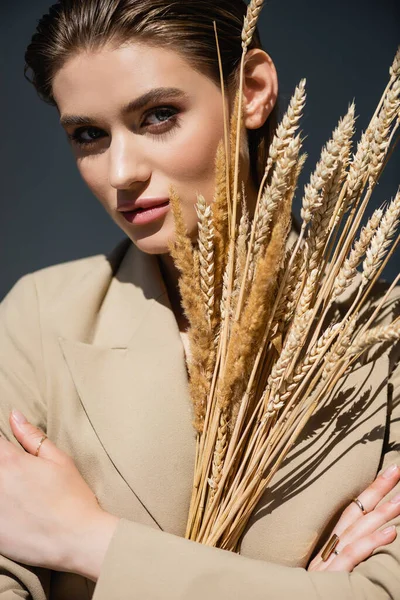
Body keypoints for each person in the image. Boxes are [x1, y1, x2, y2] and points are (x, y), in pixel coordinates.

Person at [0, 0, 399, 598]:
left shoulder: (381, 337)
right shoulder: (41, 315)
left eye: (158, 115)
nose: (121, 172)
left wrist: (87, 541)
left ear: (254, 92)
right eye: (88, 134)